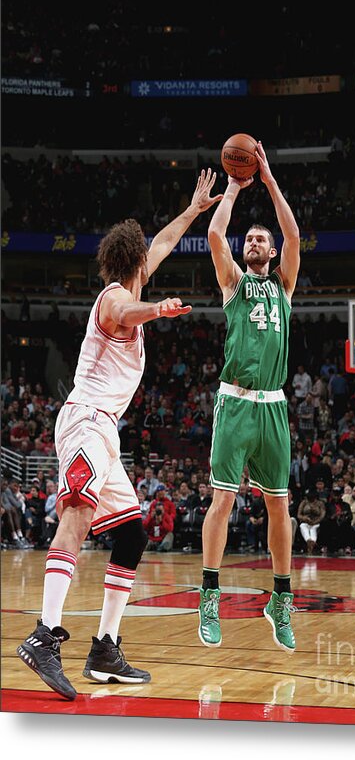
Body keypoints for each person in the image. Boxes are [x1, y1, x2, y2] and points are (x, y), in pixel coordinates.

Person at [17, 168, 222, 700]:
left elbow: (166, 241)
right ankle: (43, 635)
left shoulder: (133, 277)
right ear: (134, 266)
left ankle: (105, 649)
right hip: (84, 418)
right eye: (145, 263)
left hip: (104, 430)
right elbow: (126, 309)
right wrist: (156, 310)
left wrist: (194, 210)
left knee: (131, 534)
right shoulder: (114, 297)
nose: (150, 264)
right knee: (77, 515)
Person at [199, 141, 300, 653]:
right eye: (253, 239)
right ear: (245, 253)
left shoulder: (284, 285)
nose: (258, 241)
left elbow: (294, 233)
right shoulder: (234, 284)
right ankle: (209, 594)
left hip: (274, 406)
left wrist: (268, 178)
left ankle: (279, 602)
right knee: (223, 499)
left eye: (264, 238)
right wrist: (236, 188)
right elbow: (216, 232)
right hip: (235, 402)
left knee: (280, 507)